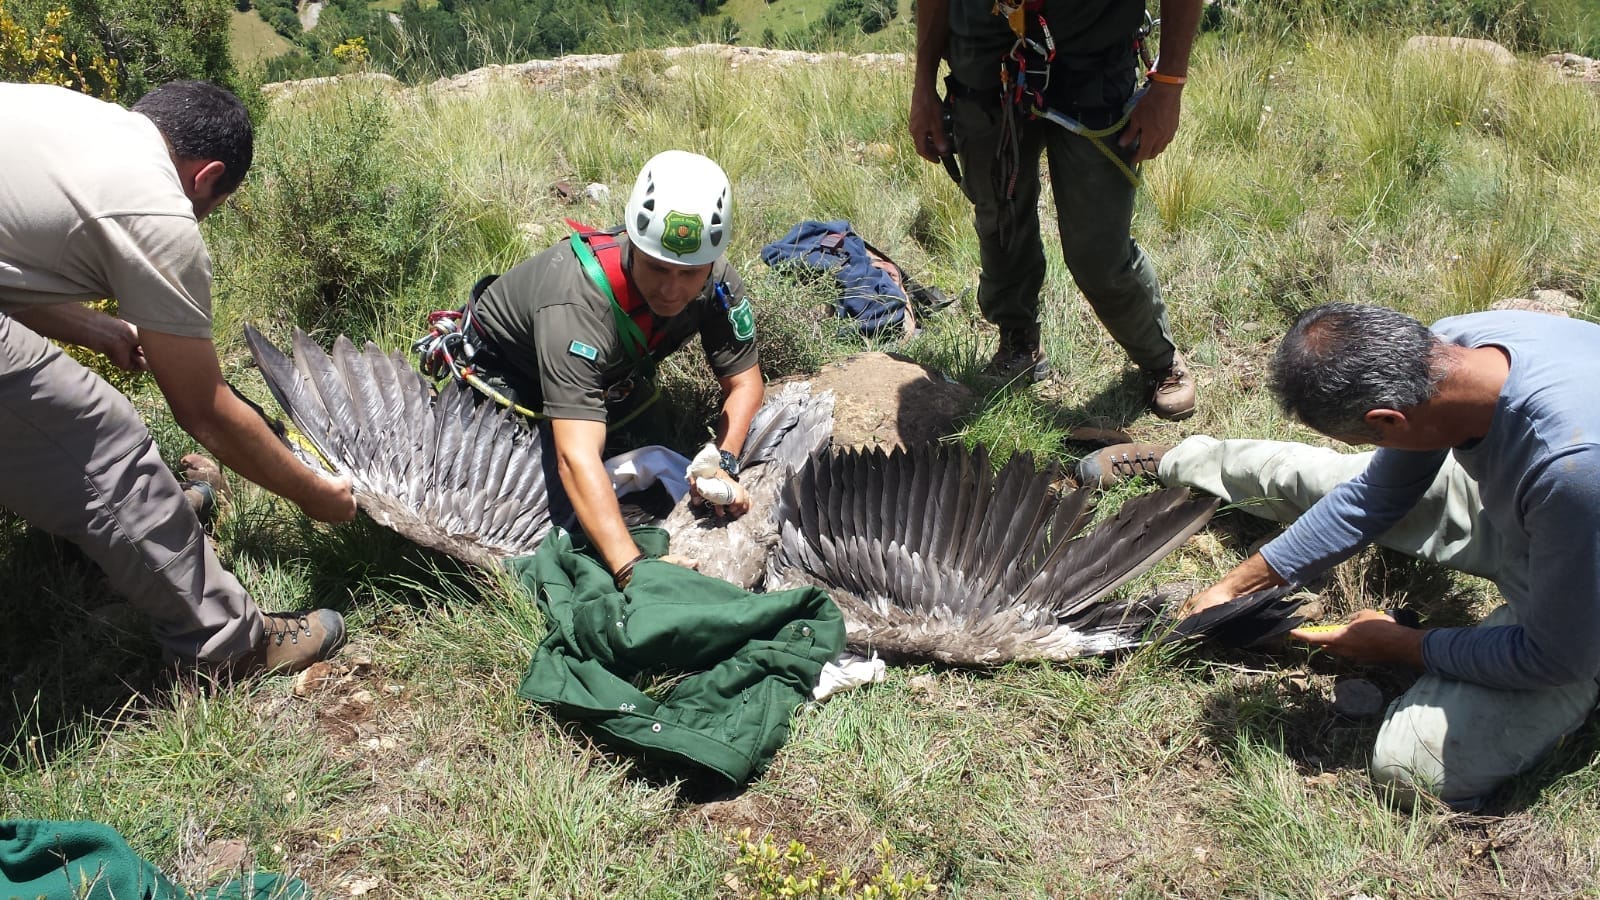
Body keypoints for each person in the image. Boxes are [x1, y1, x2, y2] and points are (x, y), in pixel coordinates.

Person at [1078, 302, 1600, 809]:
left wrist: (1404, 646)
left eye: (1366, 436)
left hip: (1578, 602)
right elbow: (1375, 496)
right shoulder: (1456, 346)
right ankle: (1180, 460)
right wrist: (1241, 583)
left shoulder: (1572, 470)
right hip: (1541, 515)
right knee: (1338, 480)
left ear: (1389, 419)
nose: (1368, 446)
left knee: (1412, 768)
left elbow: (1555, 656)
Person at [0, 81, 356, 676]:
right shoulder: (156, 207)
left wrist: (96, 330)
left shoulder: (77, 119)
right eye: (210, 208)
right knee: (101, 439)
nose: (201, 219)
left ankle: (118, 536)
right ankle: (225, 639)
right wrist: (318, 497)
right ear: (206, 175)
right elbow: (204, 410)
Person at [443, 150, 763, 590]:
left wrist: (722, 463)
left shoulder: (718, 281)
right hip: (504, 377)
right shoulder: (577, 303)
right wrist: (634, 571)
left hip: (603, 373)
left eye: (689, 274)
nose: (672, 290)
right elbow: (576, 458)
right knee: (538, 528)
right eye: (656, 268)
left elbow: (743, 382)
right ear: (632, 241)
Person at [908, 0, 1200, 419]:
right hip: (984, 64)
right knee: (999, 221)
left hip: (1093, 57)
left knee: (1098, 251)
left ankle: (1159, 358)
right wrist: (923, 87)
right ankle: (1018, 339)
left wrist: (1169, 82)